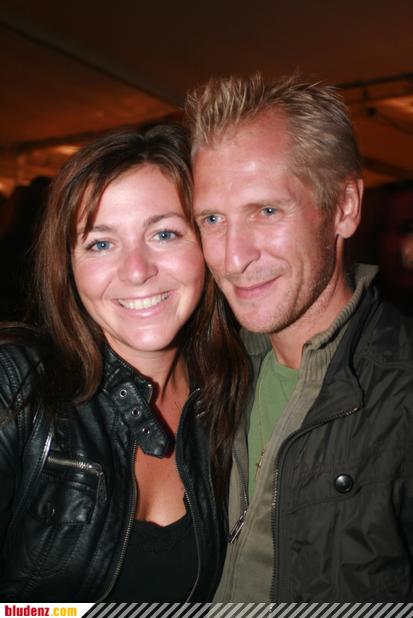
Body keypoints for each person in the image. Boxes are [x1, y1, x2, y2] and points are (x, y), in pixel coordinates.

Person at [185, 74, 413, 602]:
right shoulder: (209, 375)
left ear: (344, 207)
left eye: (266, 211)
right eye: (212, 219)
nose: (233, 257)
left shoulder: (401, 396)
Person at [0, 123, 249, 601]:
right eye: (100, 243)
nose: (137, 271)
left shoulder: (234, 395)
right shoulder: (16, 384)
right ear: (68, 266)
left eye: (164, 233)